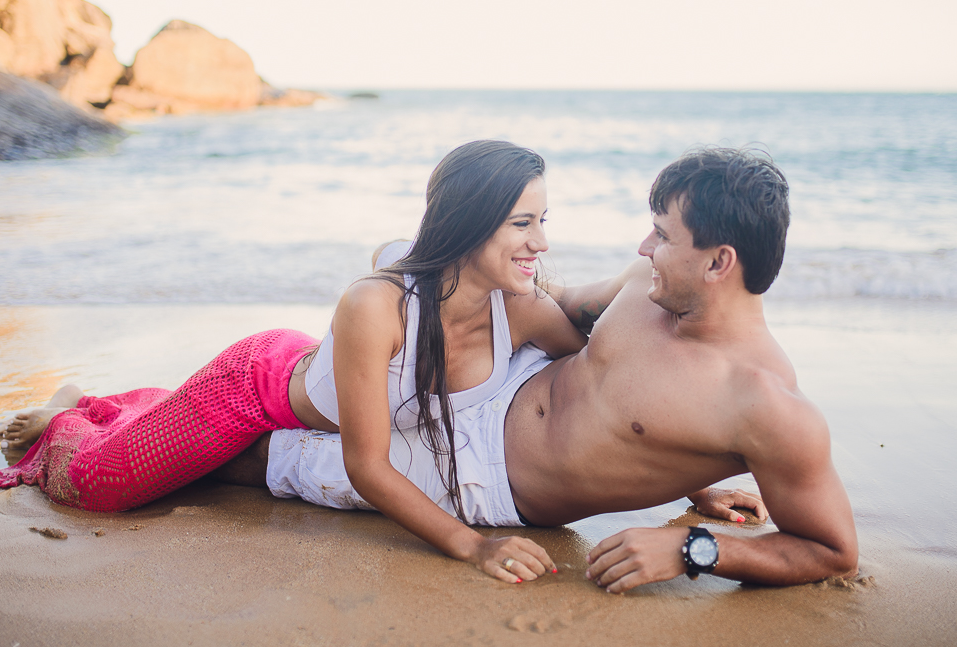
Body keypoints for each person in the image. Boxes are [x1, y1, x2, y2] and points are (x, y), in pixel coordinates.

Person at [237, 146, 858, 590]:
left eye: (662, 236)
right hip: (485, 376)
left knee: (267, 460)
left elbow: (832, 552)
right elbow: (558, 311)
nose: (644, 249)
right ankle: (267, 374)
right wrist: (700, 484)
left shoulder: (768, 409)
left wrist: (693, 547)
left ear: (719, 263)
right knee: (320, 388)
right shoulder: (647, 284)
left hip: (476, 477)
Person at [0, 140, 587, 584]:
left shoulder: (524, 310)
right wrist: (472, 546)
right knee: (97, 488)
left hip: (319, 388)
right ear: (468, 225)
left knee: (161, 445)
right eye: (522, 223)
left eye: (543, 222)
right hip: (251, 387)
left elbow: (596, 381)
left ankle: (129, 406)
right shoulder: (377, 305)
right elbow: (367, 466)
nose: (542, 242)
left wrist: (686, 481)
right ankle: (66, 415)